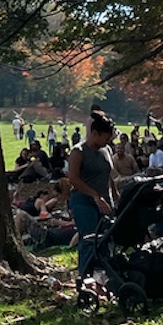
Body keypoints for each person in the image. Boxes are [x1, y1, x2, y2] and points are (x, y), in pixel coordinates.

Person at [66, 112, 116, 278]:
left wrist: (115, 194)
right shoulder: (78, 152)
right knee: (89, 238)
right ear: (95, 133)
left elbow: (108, 174)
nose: (108, 141)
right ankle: (85, 275)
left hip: (105, 201)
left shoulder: (106, 150)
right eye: (106, 138)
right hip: (84, 201)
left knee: (105, 238)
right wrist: (94, 195)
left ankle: (104, 275)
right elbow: (73, 178)